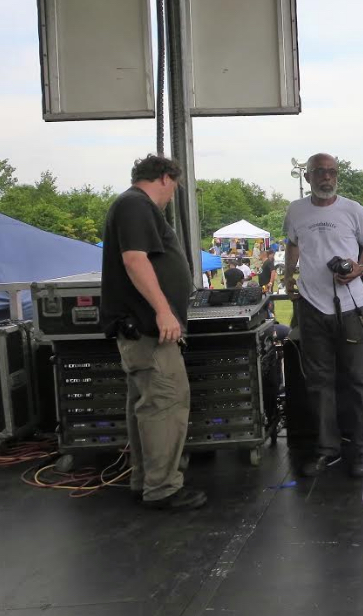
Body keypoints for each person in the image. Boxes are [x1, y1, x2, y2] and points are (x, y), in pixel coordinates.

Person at [98, 154, 207, 511]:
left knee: (146, 406)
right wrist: (163, 310)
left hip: (141, 330)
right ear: (164, 178)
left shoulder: (130, 205)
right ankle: (162, 488)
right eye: (174, 186)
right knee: (165, 402)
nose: (172, 195)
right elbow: (135, 260)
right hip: (148, 330)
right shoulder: (136, 205)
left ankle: (145, 480)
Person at [283, 152, 363, 479]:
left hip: (352, 307)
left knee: (361, 382)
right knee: (319, 383)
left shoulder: (353, 209)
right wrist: (288, 275)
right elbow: (292, 244)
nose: (327, 177)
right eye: (320, 172)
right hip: (312, 307)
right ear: (307, 176)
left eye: (332, 172)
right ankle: (328, 450)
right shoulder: (296, 210)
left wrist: (359, 268)